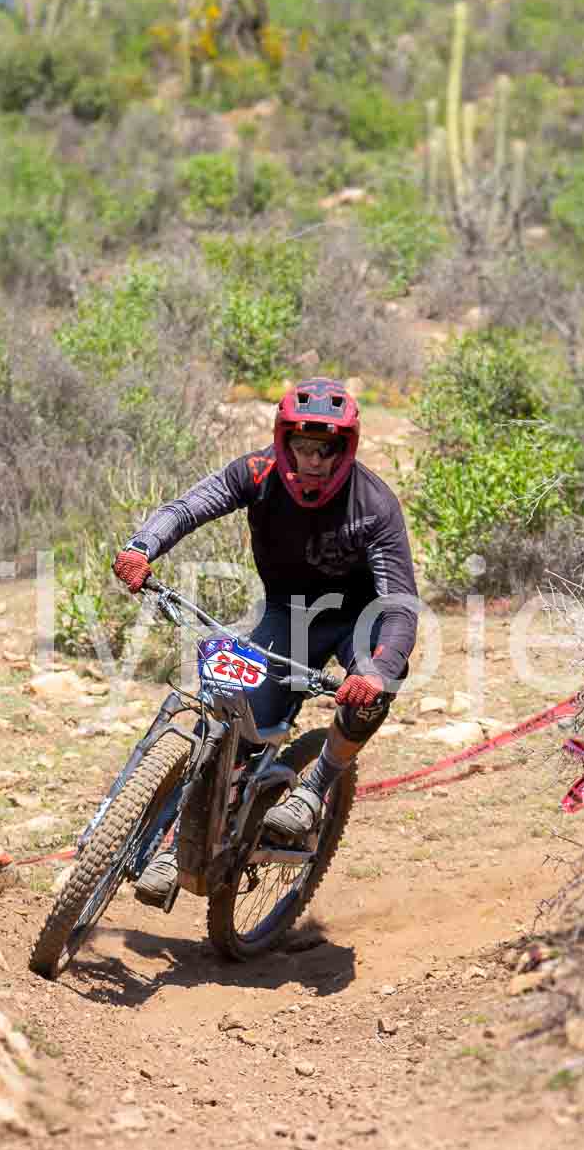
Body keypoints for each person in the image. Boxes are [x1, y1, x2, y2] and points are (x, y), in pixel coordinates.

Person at [111, 377, 418, 907]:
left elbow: (398, 605)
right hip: (290, 615)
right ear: (283, 439)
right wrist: (143, 546)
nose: (313, 461)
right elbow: (187, 508)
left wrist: (373, 671)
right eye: (302, 446)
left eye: (326, 450)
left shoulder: (375, 505)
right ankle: (175, 844)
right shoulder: (255, 473)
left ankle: (317, 783)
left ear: (346, 449)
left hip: (356, 620)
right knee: (236, 723)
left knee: (379, 685)